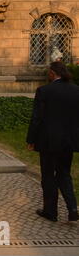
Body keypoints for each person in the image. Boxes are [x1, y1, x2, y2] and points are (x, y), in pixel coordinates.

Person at [26, 62, 79, 222]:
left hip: (48, 141)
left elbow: (37, 118)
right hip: (68, 141)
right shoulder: (76, 90)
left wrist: (31, 139)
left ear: (51, 73)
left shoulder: (44, 91)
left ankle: (50, 211)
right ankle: (72, 208)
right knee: (64, 174)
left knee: (48, 175)